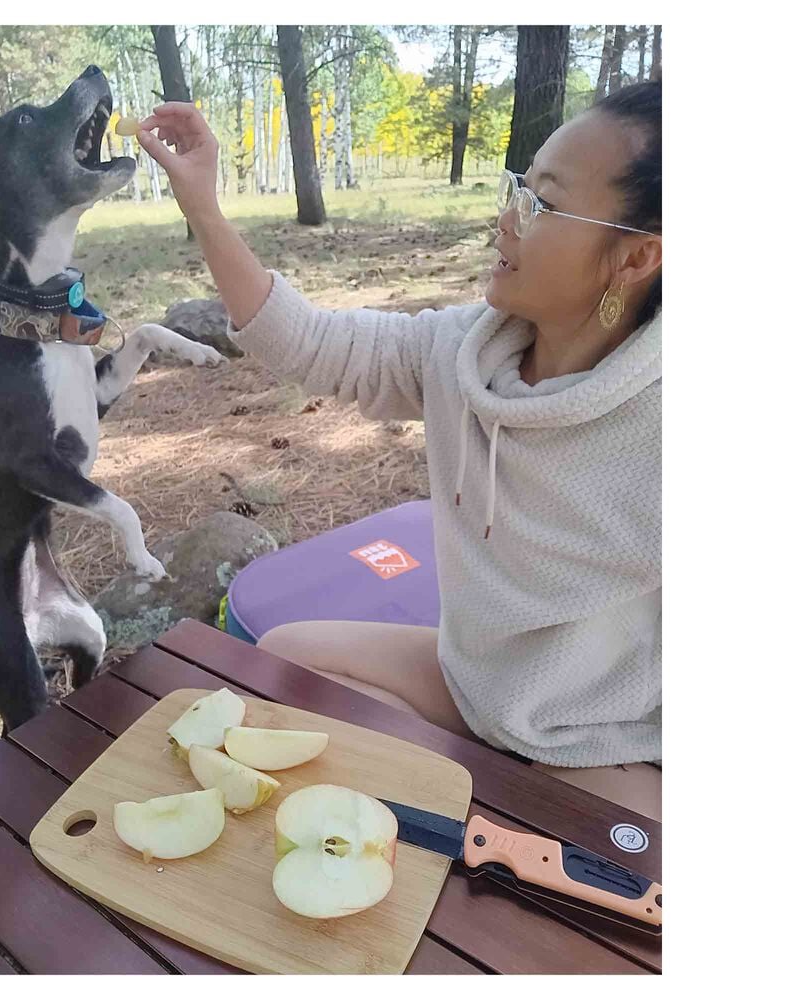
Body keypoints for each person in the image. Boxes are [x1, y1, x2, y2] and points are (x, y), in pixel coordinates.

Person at [136, 81, 663, 821]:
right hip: (475, 684)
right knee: (283, 657)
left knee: (598, 886)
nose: (504, 221)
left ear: (636, 258)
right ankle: (463, 795)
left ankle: (468, 804)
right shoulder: (460, 351)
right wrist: (203, 206)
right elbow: (311, 345)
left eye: (541, 203)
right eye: (518, 188)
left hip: (600, 742)